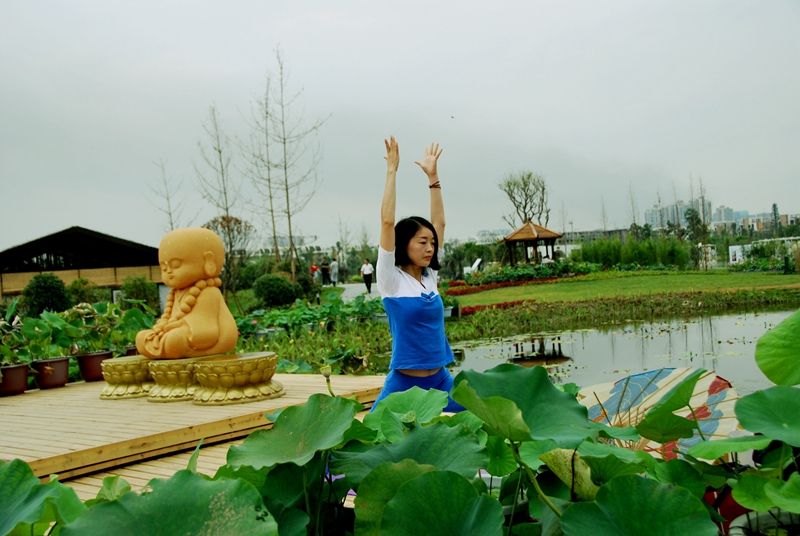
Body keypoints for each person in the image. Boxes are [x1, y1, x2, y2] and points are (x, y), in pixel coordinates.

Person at [372, 136, 463, 412]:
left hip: (441, 381)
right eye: (422, 242)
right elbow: (387, 222)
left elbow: (439, 223)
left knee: (487, 419)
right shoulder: (390, 280)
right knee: (368, 435)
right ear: (404, 244)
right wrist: (392, 171)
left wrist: (433, 177)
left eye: (432, 243)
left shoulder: (430, 276)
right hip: (404, 385)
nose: (430, 248)